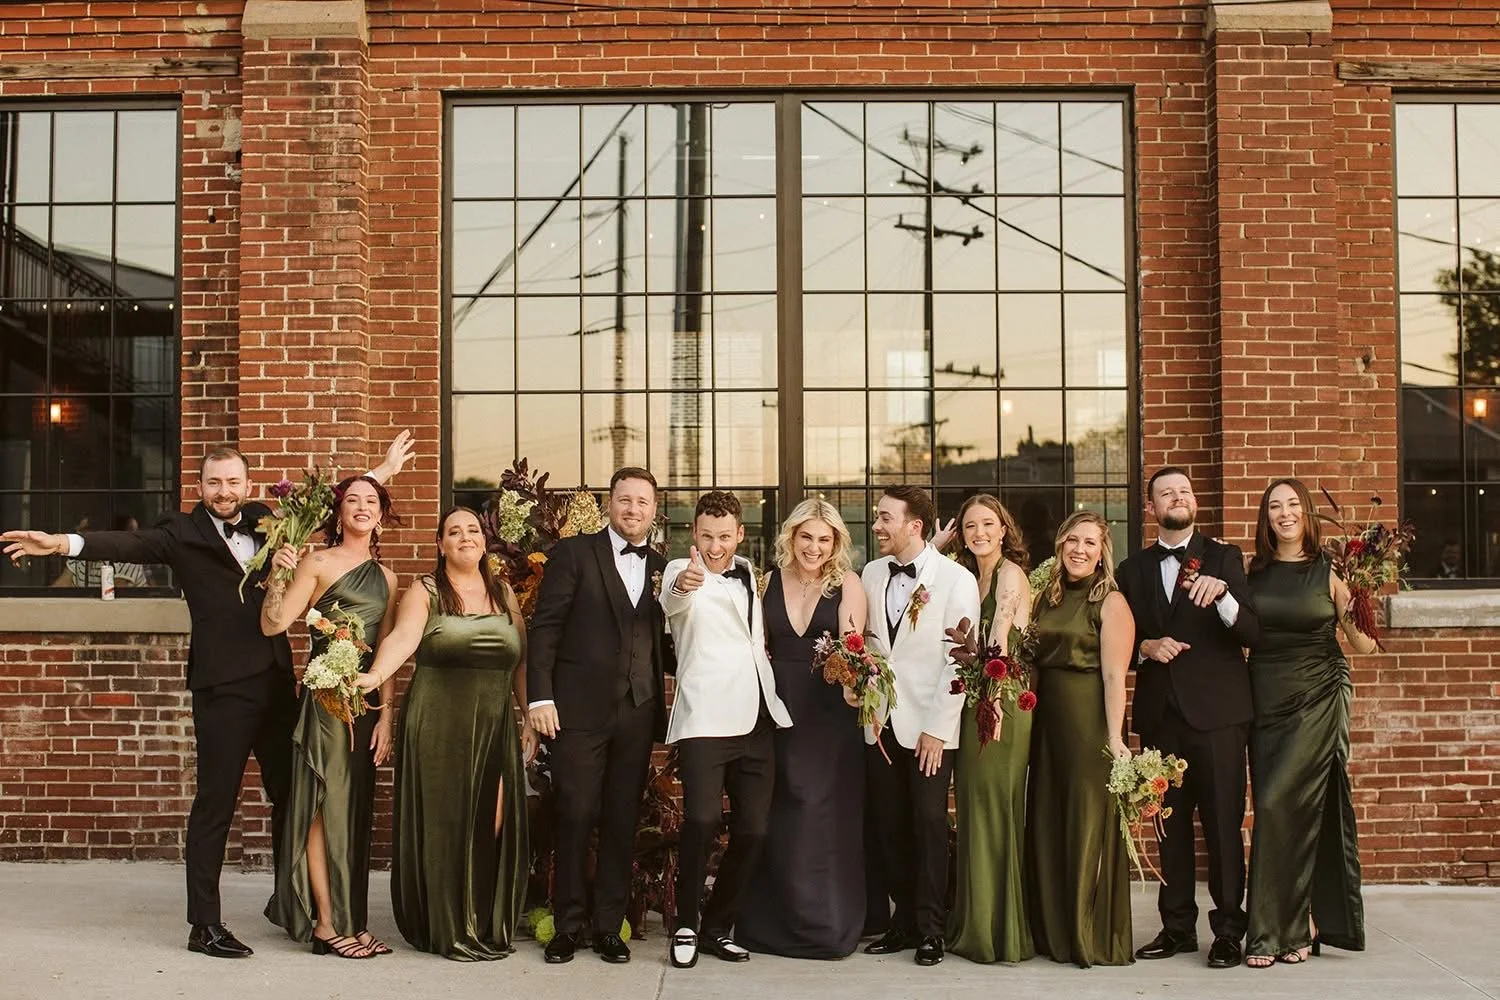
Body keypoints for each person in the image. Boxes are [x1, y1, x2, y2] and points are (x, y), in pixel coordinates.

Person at [0, 431, 413, 958]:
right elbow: (128, 544)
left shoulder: (270, 520)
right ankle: (205, 925)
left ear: (247, 484)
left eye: (233, 481)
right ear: (200, 486)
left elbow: (337, 504)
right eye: (214, 482)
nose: (224, 490)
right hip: (222, 687)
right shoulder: (180, 531)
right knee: (216, 804)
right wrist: (60, 543)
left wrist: (380, 471)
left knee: (296, 796)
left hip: (280, 684)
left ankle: (304, 910)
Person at [355, 506, 536, 961]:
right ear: (440, 544)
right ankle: (446, 925)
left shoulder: (504, 592)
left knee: (490, 821)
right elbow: (403, 638)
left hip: (493, 723)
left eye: (473, 530)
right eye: (454, 532)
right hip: (437, 722)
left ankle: (478, 918)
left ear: (484, 540)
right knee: (446, 824)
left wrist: (529, 716)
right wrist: (375, 676)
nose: (465, 537)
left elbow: (520, 662)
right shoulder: (426, 590)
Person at [525, 467, 674, 965]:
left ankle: (609, 926)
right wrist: (539, 698)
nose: (634, 510)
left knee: (620, 818)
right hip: (577, 711)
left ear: (654, 510)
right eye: (625, 500)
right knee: (574, 813)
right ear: (611, 503)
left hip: (638, 710)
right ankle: (567, 925)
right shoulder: (573, 553)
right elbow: (544, 629)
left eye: (643, 502)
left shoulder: (663, 567)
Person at [1115, 468, 1259, 970]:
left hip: (1218, 717)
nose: (1177, 498)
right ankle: (1175, 928)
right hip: (1159, 720)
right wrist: (1144, 648)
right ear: (1151, 508)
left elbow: (1252, 632)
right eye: (1166, 494)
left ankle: (1226, 932)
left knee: (1222, 826)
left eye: (1184, 491)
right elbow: (1114, 644)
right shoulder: (1130, 570)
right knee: (1168, 829)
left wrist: (1223, 596)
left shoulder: (1224, 558)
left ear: (1193, 502)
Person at [259, 476, 400, 958]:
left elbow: (386, 650)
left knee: (354, 812)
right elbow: (274, 624)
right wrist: (278, 575)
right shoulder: (317, 562)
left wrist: (386, 716)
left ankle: (353, 920)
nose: (363, 507)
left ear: (382, 513)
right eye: (353, 501)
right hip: (323, 701)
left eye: (372, 501)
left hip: (363, 708)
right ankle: (324, 922)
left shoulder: (387, 577)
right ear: (339, 514)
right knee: (324, 805)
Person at [1243, 479, 1375, 968]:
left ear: (1307, 513)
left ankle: (1282, 930)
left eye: (1293, 504)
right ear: (1265, 518)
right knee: (1274, 806)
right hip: (1266, 699)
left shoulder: (1329, 570)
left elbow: (1365, 647)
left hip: (1320, 694)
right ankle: (1303, 922)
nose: (1284, 513)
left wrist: (1359, 600)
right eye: (1274, 506)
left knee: (1288, 805)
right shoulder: (1250, 572)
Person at [659, 490, 793, 968]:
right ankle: (687, 925)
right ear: (693, 534)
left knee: (754, 830)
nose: (715, 547)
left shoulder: (750, 575)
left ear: (740, 535)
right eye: (706, 536)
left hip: (758, 718)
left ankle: (718, 926)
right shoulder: (681, 572)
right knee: (700, 821)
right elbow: (674, 601)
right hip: (706, 719)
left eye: (724, 537)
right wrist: (686, 583)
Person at [737, 498, 869, 960]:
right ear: (791, 537)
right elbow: (758, 648)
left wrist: (858, 687)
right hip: (777, 711)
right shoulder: (768, 582)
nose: (814, 547)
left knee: (823, 816)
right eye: (806, 537)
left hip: (830, 715)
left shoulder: (848, 584)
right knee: (782, 813)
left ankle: (828, 925)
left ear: (836, 543)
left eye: (824, 539)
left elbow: (855, 651)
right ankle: (769, 923)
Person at [859, 485, 981, 967]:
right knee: (889, 826)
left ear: (915, 525)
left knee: (929, 824)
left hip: (931, 728)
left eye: (885, 517)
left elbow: (961, 661)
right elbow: (869, 645)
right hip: (881, 723)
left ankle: (932, 929)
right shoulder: (870, 574)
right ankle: (903, 920)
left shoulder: (955, 580)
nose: (876, 526)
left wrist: (938, 728)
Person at [1024, 510, 1134, 968]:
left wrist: (1115, 739)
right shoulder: (1044, 597)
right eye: (1073, 540)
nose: (1079, 549)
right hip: (1046, 724)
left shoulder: (1109, 602)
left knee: (1087, 824)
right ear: (1060, 544)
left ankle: (1086, 934)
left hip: (1089, 723)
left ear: (1102, 551)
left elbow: (1113, 676)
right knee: (1048, 819)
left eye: (1090, 543)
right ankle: (1052, 933)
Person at [946, 494, 1034, 965]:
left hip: (998, 706)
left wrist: (993, 707)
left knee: (993, 809)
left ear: (1004, 529)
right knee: (973, 810)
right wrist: (940, 542)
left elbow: (999, 644)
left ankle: (997, 932)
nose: (979, 532)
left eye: (988, 524)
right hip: (972, 702)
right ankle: (973, 921)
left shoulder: (1009, 576)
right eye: (970, 526)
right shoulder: (966, 577)